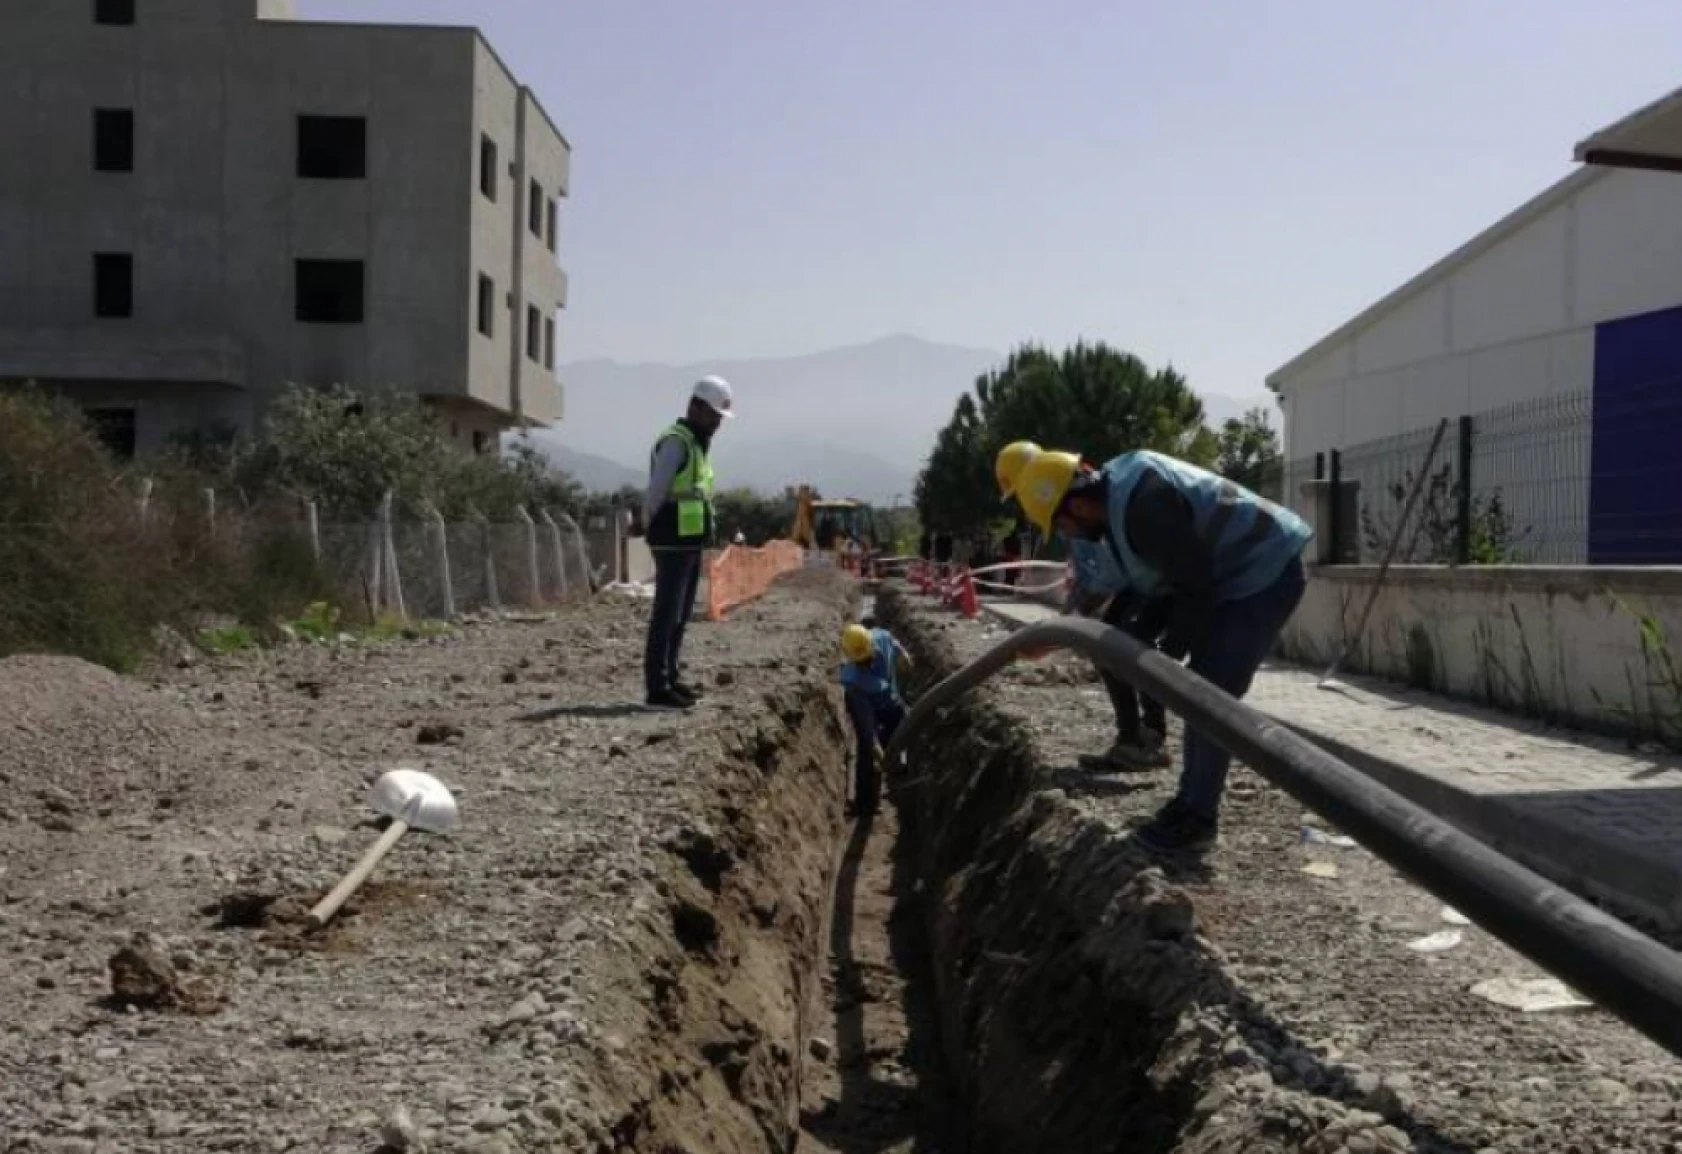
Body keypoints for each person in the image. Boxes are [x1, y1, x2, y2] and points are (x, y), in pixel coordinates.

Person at [1013, 447, 1313, 853]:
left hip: (1264, 571)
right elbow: (1151, 582)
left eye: (1062, 525)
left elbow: (1194, 583)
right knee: (1198, 691)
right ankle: (1187, 804)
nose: (1068, 535)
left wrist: (1165, 655)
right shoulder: (1119, 502)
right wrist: (1120, 636)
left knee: (1210, 693)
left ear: (1078, 506)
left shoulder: (1144, 507)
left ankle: (1197, 818)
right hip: (1224, 577)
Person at [996, 441, 1174, 772]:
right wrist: (1061, 626)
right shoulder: (1066, 503)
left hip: (1148, 578)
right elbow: (1086, 576)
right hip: (1135, 580)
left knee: (1133, 647)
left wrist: (1061, 629)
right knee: (1108, 649)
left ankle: (1150, 739)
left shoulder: (1074, 505)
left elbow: (1106, 575)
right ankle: (1132, 739)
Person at [642, 375, 734, 710]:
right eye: (713, 415)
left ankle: (670, 676)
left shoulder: (696, 444)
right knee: (666, 614)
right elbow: (657, 490)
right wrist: (646, 523)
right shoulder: (677, 442)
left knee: (680, 614)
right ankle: (657, 687)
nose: (716, 423)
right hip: (671, 539)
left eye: (720, 418)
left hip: (689, 541)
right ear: (694, 407)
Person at [840, 622, 913, 819]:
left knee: (902, 726)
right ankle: (865, 803)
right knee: (866, 750)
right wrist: (878, 752)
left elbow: (892, 640)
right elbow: (868, 729)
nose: (867, 663)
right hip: (865, 703)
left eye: (867, 657)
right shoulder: (854, 682)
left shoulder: (880, 637)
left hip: (889, 699)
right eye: (861, 661)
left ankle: (900, 784)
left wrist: (903, 654)